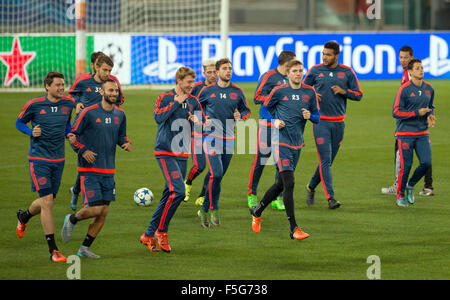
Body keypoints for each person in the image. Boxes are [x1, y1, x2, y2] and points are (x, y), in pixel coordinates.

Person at [61, 79, 132, 258]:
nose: (114, 93)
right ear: (101, 92)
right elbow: (71, 136)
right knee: (95, 209)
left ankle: (84, 248)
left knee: (104, 211)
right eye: (110, 90)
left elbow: (121, 136)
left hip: (108, 170)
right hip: (89, 170)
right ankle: (72, 219)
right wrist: (83, 150)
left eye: (115, 91)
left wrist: (125, 143)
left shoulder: (120, 115)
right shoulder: (89, 113)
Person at [250, 59, 319, 240]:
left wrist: (310, 116)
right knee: (289, 183)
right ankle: (293, 228)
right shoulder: (279, 91)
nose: (298, 73)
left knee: (280, 184)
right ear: (287, 74)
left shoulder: (309, 92)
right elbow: (264, 111)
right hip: (280, 142)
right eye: (294, 71)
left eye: (300, 70)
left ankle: (257, 210)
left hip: (297, 143)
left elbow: (318, 117)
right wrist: (274, 122)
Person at [139, 67, 204, 253]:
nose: (192, 86)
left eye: (193, 82)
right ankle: (162, 231)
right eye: (188, 82)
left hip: (183, 153)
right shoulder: (165, 97)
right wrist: (176, 103)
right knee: (178, 191)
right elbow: (158, 118)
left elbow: (202, 123)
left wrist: (197, 122)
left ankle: (148, 234)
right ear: (179, 81)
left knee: (169, 194)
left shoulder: (194, 101)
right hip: (165, 151)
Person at [15, 72, 74, 262]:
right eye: (58, 85)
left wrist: (70, 133)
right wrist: (31, 131)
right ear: (47, 86)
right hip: (38, 159)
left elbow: (66, 125)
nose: (61, 88)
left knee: (46, 202)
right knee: (47, 201)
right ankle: (53, 250)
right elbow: (19, 122)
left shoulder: (68, 104)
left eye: (63, 85)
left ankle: (24, 216)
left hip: (59, 160)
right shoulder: (34, 104)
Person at [303, 41, 363, 209]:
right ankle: (331, 198)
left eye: (328, 54)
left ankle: (311, 186)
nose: (324, 57)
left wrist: (344, 92)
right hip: (320, 121)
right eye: (323, 54)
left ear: (336, 56)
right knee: (325, 159)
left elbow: (358, 95)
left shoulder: (347, 72)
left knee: (327, 161)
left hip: (339, 124)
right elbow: (301, 90)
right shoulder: (315, 71)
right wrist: (313, 93)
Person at [197, 58, 251, 228]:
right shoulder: (208, 91)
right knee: (217, 174)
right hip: (211, 137)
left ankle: (204, 208)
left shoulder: (238, 92)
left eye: (230, 68)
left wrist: (241, 117)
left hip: (229, 139)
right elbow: (195, 107)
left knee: (218, 178)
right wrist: (202, 120)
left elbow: (246, 110)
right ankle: (215, 208)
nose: (228, 71)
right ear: (218, 71)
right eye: (225, 68)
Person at [67, 54, 125, 211]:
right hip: (83, 129)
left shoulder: (112, 82)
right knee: (88, 158)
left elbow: (119, 101)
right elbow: (71, 95)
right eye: (105, 70)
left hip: (101, 129)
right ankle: (88, 199)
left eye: (110, 70)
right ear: (96, 67)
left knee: (91, 160)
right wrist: (77, 103)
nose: (108, 73)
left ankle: (78, 191)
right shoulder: (83, 80)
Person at [382, 46, 434, 196]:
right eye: (400, 57)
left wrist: (429, 113)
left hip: (410, 125)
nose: (402, 60)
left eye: (406, 58)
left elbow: (426, 100)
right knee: (422, 156)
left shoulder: (412, 76)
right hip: (408, 122)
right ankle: (426, 185)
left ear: (411, 59)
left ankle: (400, 185)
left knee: (409, 155)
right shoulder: (406, 75)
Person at [247, 50, 296, 210]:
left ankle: (278, 197)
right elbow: (257, 97)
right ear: (287, 63)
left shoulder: (290, 78)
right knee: (261, 159)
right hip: (267, 125)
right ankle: (252, 194)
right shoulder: (269, 76)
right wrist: (275, 98)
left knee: (281, 163)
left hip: (284, 126)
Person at [392, 59, 435, 207]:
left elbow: (431, 106)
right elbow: (396, 112)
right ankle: (400, 195)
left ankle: (410, 185)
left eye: (422, 68)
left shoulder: (430, 88)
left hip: (422, 132)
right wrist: (417, 112)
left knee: (426, 162)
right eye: (417, 68)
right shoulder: (404, 89)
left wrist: (430, 115)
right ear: (410, 72)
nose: (421, 70)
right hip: (405, 134)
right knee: (406, 166)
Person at [184, 59, 217, 203]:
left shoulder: (223, 88)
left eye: (214, 72)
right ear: (204, 73)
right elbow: (187, 106)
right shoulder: (196, 88)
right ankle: (188, 183)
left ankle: (203, 195)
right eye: (209, 72)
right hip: (197, 131)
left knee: (214, 168)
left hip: (216, 133)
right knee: (199, 166)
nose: (212, 75)